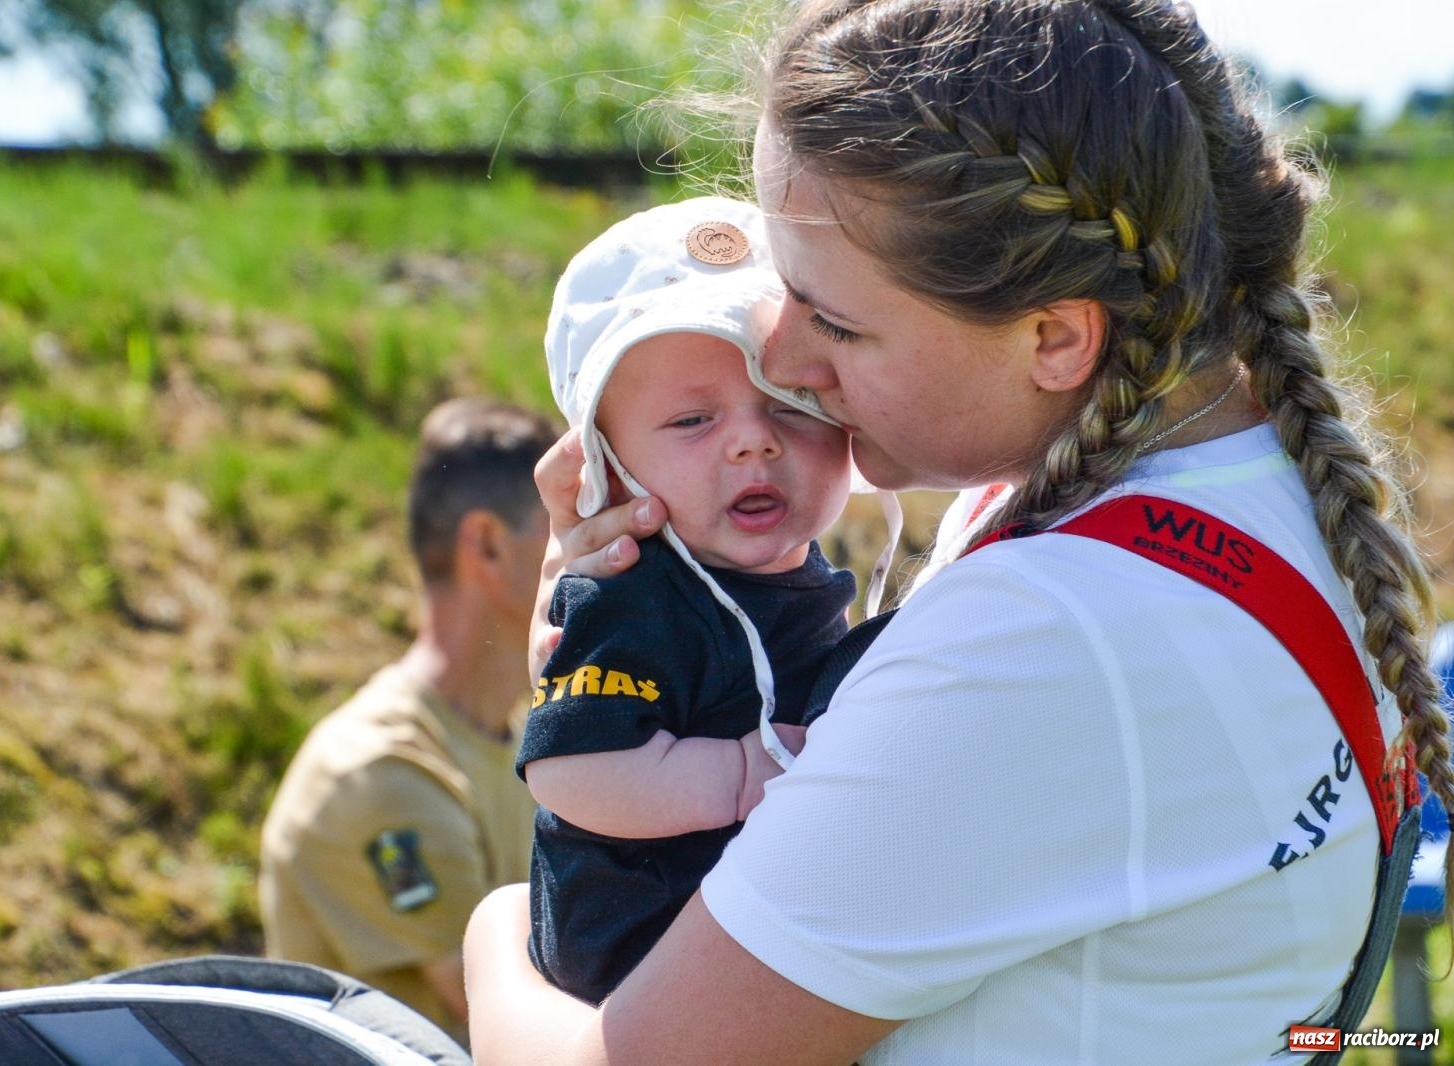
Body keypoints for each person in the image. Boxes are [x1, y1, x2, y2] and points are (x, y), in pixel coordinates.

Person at [462, 1, 1454, 1063]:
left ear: (1054, 336)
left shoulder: (1050, 633)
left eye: (831, 318)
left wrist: (499, 929)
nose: (779, 359)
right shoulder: (1222, 489)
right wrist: (627, 635)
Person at [520, 196, 856, 1004]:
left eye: (791, 404)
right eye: (692, 419)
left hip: (749, 945)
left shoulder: (802, 577)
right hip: (630, 957)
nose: (752, 439)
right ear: (606, 469)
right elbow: (573, 768)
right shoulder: (633, 593)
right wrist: (741, 772)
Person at [259, 396, 555, 1046]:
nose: (605, 544)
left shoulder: (528, 738)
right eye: (568, 518)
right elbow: (516, 1017)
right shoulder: (380, 771)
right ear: (488, 545)